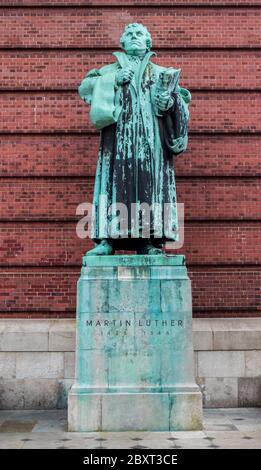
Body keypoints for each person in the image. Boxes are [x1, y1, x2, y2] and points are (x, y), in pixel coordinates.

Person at [79, 23, 191, 255]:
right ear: (122, 43)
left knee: (150, 187)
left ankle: (147, 242)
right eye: (129, 34)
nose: (134, 37)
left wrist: (170, 104)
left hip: (152, 143)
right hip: (118, 141)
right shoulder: (109, 70)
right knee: (113, 183)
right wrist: (113, 80)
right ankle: (107, 241)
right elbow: (86, 89)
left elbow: (182, 104)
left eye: (139, 34)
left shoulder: (160, 73)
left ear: (148, 42)